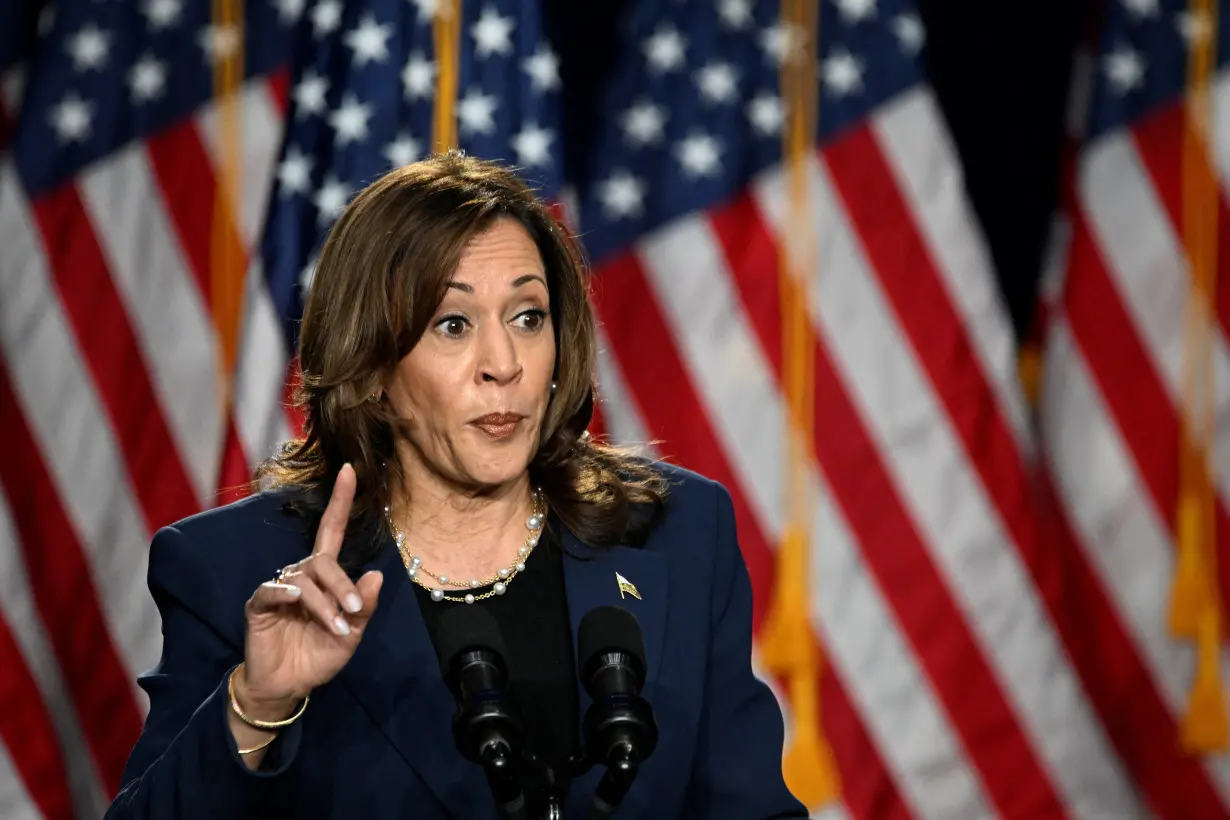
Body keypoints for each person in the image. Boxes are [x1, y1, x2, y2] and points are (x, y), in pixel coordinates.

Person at [104, 151, 808, 820]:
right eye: (452, 324)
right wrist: (257, 702)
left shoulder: (677, 532)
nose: (502, 363)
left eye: (528, 318)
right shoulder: (236, 571)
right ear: (373, 369)